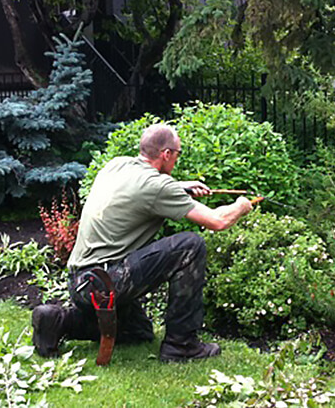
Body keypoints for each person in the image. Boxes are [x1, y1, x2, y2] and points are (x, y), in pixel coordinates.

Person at [32, 123, 254, 362]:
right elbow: (217, 221)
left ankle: (58, 321)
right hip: (107, 282)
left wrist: (181, 187)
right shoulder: (157, 187)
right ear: (166, 154)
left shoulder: (117, 165)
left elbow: (137, 191)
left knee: (139, 333)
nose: (177, 159)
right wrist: (241, 206)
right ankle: (182, 346)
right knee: (191, 245)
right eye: (178, 153)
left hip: (82, 283)